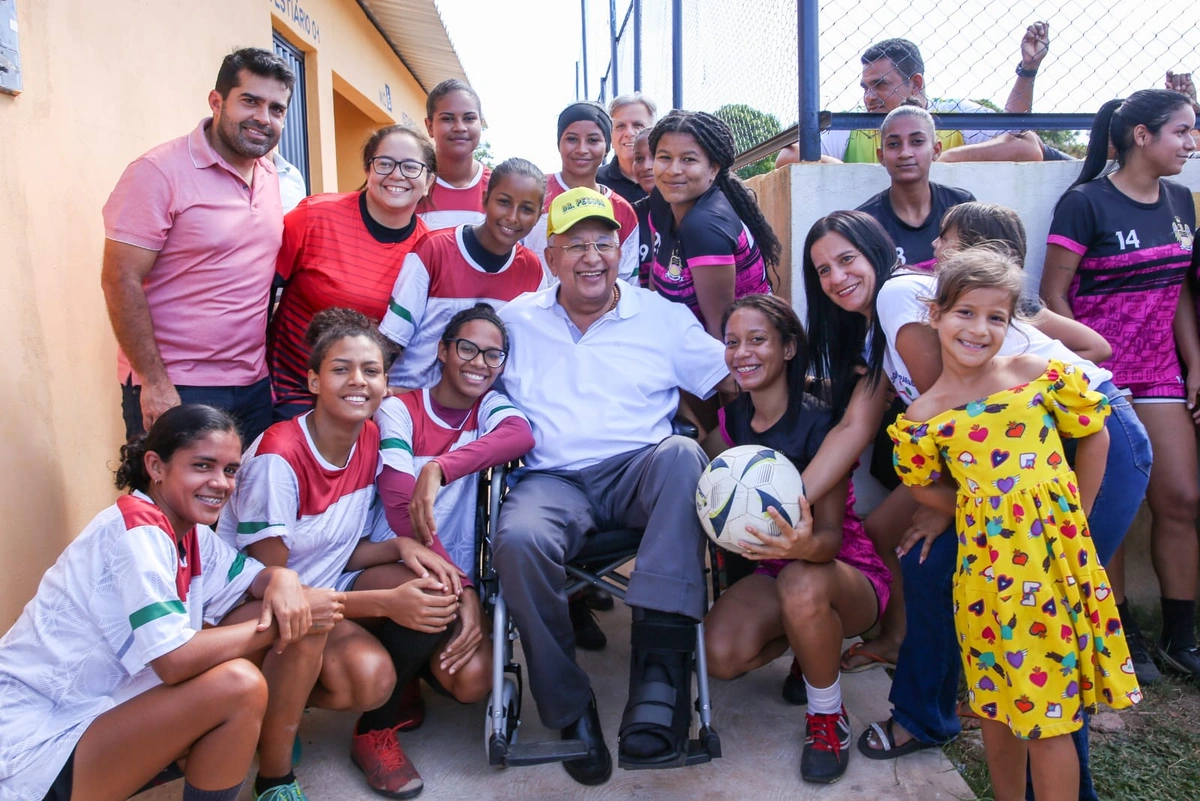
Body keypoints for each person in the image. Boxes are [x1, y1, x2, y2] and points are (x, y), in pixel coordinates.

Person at [801, 210, 1149, 801]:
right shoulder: (878, 333)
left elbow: (970, 402)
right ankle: (927, 708)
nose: (836, 277)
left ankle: (1058, 780)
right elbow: (866, 426)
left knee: (1046, 652)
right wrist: (785, 507)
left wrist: (1069, 526)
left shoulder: (903, 296)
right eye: (822, 269)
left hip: (1065, 447)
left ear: (877, 252)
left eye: (846, 258)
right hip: (999, 488)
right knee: (923, 567)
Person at [493, 187, 732, 784]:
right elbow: (472, 385)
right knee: (518, 539)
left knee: (683, 455)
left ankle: (659, 676)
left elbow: (731, 375)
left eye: (604, 243)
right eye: (577, 245)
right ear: (551, 258)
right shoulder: (515, 320)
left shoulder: (661, 316)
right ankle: (570, 708)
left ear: (622, 252)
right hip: (551, 480)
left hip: (638, 470)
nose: (592, 257)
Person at [889, 249, 1139, 801]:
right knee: (996, 707)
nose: (979, 329)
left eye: (996, 317)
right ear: (935, 314)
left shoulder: (1035, 374)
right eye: (964, 313)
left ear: (1012, 322)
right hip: (985, 579)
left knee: (1050, 717)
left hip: (1053, 568)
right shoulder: (924, 415)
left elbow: (1094, 433)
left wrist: (1079, 516)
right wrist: (974, 505)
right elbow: (918, 482)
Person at [0, 405, 335, 801]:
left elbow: (255, 578)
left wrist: (282, 577)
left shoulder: (188, 531)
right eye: (203, 466)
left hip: (94, 719)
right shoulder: (137, 534)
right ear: (156, 466)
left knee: (284, 621)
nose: (221, 483)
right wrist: (283, 622)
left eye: (230, 470)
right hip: (36, 748)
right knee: (238, 685)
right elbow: (173, 661)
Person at [220, 309, 458, 799]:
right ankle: (274, 769)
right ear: (312, 379)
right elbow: (278, 583)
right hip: (252, 605)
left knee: (385, 661)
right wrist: (384, 605)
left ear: (385, 383)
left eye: (371, 371)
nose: (358, 381)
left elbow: (337, 553)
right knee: (322, 635)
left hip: (321, 595)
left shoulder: (371, 437)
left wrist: (401, 546)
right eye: (340, 369)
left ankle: (294, 708)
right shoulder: (278, 457)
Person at [1041, 89, 1200, 682]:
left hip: (1161, 370)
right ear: (1142, 136)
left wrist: (1195, 363)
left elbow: (1180, 288)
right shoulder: (1085, 203)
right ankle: (1120, 629)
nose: (1191, 143)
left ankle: (1180, 638)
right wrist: (1083, 374)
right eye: (1182, 131)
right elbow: (1054, 296)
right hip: (1102, 377)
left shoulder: (1182, 201)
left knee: (1180, 499)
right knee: (1110, 509)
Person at [703, 295, 890, 784]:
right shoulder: (734, 420)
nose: (742, 352)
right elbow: (707, 482)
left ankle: (827, 718)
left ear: (788, 349)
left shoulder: (818, 420)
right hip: (775, 568)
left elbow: (827, 539)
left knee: (802, 585)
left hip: (844, 570)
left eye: (757, 340)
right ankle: (811, 654)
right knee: (719, 656)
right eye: (733, 341)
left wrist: (798, 548)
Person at [102, 47, 294, 444]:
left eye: (276, 108)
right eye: (250, 101)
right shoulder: (158, 172)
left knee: (246, 505)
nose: (263, 117)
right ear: (216, 101)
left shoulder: (271, 174)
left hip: (254, 385)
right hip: (179, 387)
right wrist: (154, 383)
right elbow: (120, 279)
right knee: (173, 506)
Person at [368, 303, 536, 739]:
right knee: (435, 593)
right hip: (386, 562)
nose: (479, 363)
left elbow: (521, 435)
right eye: (467, 348)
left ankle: (408, 664)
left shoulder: (488, 408)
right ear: (442, 351)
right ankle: (376, 724)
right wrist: (463, 590)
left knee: (474, 681)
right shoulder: (400, 409)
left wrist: (440, 467)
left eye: (492, 355)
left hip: (444, 572)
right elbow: (402, 506)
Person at [269, 125, 434, 420]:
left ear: (428, 180)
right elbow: (260, 293)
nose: (396, 175)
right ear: (368, 169)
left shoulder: (429, 252)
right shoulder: (314, 216)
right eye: (384, 163)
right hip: (286, 393)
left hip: (361, 405)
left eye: (411, 167)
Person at [380, 157, 547, 391]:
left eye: (527, 209)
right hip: (410, 395)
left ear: (539, 215)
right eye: (504, 202)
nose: (513, 216)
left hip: (477, 411)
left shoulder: (532, 272)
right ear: (486, 199)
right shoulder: (434, 250)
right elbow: (392, 337)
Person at [820, 30, 1050, 164]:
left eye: (880, 85)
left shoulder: (956, 115)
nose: (868, 98)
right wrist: (844, 173)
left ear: (916, 84)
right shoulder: (852, 128)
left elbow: (1026, 146)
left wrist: (946, 159)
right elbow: (788, 156)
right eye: (865, 87)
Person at [646, 110, 780, 340]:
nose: (673, 170)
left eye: (689, 159)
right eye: (664, 157)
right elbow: (655, 283)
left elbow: (721, 334)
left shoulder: (704, 226)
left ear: (713, 169)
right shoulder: (662, 198)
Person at [521, 101, 641, 284]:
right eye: (572, 139)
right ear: (558, 143)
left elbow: (627, 280)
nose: (582, 149)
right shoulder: (532, 192)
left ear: (607, 147)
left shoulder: (622, 210)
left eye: (593, 140)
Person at [856, 104, 975, 272]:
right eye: (893, 144)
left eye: (917, 142)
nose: (905, 153)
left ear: (935, 150)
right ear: (881, 156)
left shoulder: (961, 206)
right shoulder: (866, 223)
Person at [417, 79, 490, 230]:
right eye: (447, 119)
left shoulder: (497, 188)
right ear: (429, 127)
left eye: (469, 118)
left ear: (480, 123)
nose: (460, 127)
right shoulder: (411, 184)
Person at [599, 93, 658, 204]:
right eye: (620, 126)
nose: (629, 133)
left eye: (638, 125)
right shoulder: (596, 183)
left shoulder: (668, 179)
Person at [630, 128, 657, 288]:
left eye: (655, 156)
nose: (646, 166)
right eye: (639, 158)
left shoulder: (699, 217)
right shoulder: (630, 214)